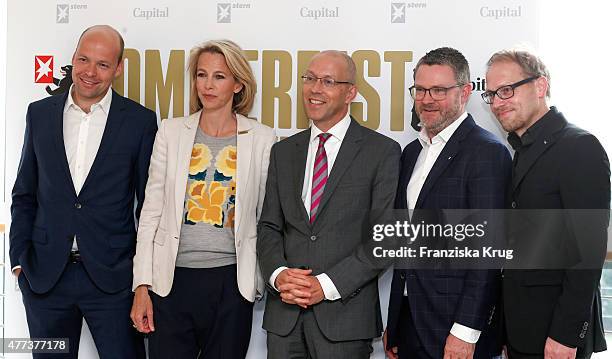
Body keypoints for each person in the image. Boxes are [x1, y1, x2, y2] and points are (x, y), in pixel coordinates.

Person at [9, 25, 157, 358]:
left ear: (118, 68)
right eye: (83, 59)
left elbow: (148, 206)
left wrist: (141, 278)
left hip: (113, 280)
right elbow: (24, 193)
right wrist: (20, 261)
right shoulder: (40, 114)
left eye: (103, 64)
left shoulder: (139, 121)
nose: (90, 72)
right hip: (45, 278)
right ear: (73, 59)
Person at [130, 39, 275, 359]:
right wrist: (142, 284)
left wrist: (256, 283)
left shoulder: (262, 138)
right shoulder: (170, 131)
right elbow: (151, 211)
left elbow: (267, 215)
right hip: (170, 281)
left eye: (219, 77)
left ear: (239, 84)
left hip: (231, 283)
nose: (207, 85)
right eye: (201, 75)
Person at [256, 50, 401, 359]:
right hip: (285, 319)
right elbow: (269, 225)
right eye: (309, 79)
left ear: (350, 93)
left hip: (345, 321)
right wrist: (279, 274)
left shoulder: (382, 152)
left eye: (328, 81)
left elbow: (385, 239)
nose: (314, 88)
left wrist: (326, 285)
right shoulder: (284, 152)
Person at [384, 47, 511, 359]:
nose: (427, 99)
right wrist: (397, 321)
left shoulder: (486, 152)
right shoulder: (411, 153)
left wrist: (466, 331)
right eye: (420, 89)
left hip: (456, 330)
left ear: (465, 92)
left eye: (439, 90)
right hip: (412, 323)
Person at [483, 50, 609, 359]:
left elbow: (588, 255)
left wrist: (566, 336)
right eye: (491, 95)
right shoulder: (520, 151)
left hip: (555, 338)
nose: (498, 102)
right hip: (520, 331)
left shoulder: (579, 147)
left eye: (507, 90)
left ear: (540, 87)